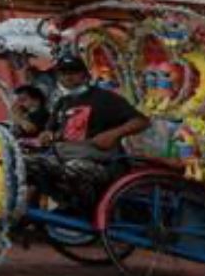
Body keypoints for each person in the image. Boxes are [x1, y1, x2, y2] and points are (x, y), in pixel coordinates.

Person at [24, 51, 149, 213]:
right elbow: (49, 130)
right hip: (66, 154)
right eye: (63, 73)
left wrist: (114, 134)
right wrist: (46, 135)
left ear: (84, 74)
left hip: (102, 162)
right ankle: (48, 212)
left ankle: (86, 213)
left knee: (73, 169)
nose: (68, 77)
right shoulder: (62, 102)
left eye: (74, 72)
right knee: (29, 165)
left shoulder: (105, 98)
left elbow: (142, 121)